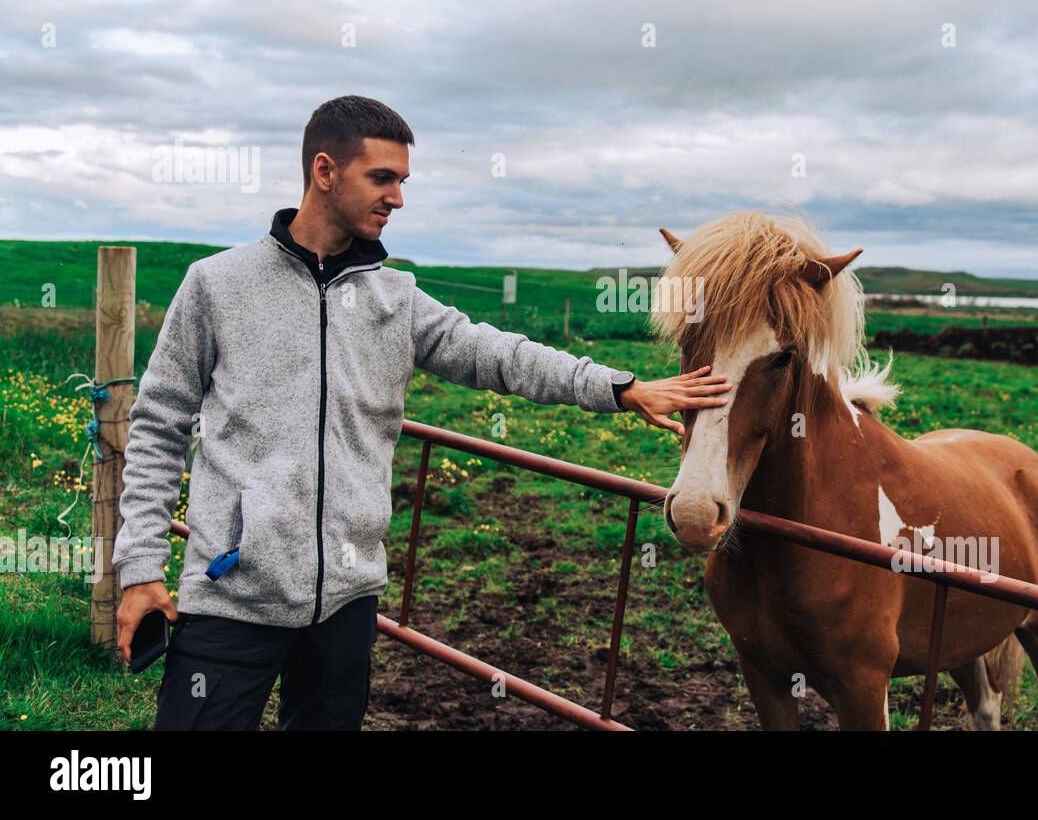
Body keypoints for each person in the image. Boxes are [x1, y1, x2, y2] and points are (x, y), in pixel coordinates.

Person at [112, 94, 730, 730]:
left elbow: (502, 356)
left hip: (347, 606)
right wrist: (139, 568)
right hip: (231, 600)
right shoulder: (218, 285)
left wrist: (619, 387)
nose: (397, 199)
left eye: (403, 182)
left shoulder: (397, 300)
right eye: (382, 178)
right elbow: (159, 428)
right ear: (324, 172)